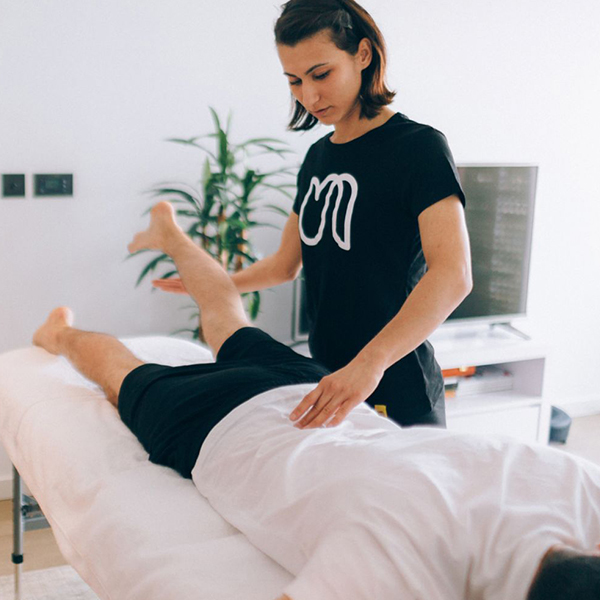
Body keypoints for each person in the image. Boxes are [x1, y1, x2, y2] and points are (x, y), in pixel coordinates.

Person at [33, 201, 600, 600]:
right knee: (123, 373)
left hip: (317, 392)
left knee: (224, 317)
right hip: (226, 432)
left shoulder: (562, 480)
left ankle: (173, 235)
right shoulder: (400, 555)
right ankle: (58, 336)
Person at [154, 0, 472, 431]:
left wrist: (369, 364)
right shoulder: (318, 157)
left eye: (321, 74)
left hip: (397, 385)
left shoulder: (419, 148)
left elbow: (452, 275)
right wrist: (214, 284)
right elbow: (286, 265)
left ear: (362, 54)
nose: (309, 96)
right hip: (326, 377)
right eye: (294, 81)